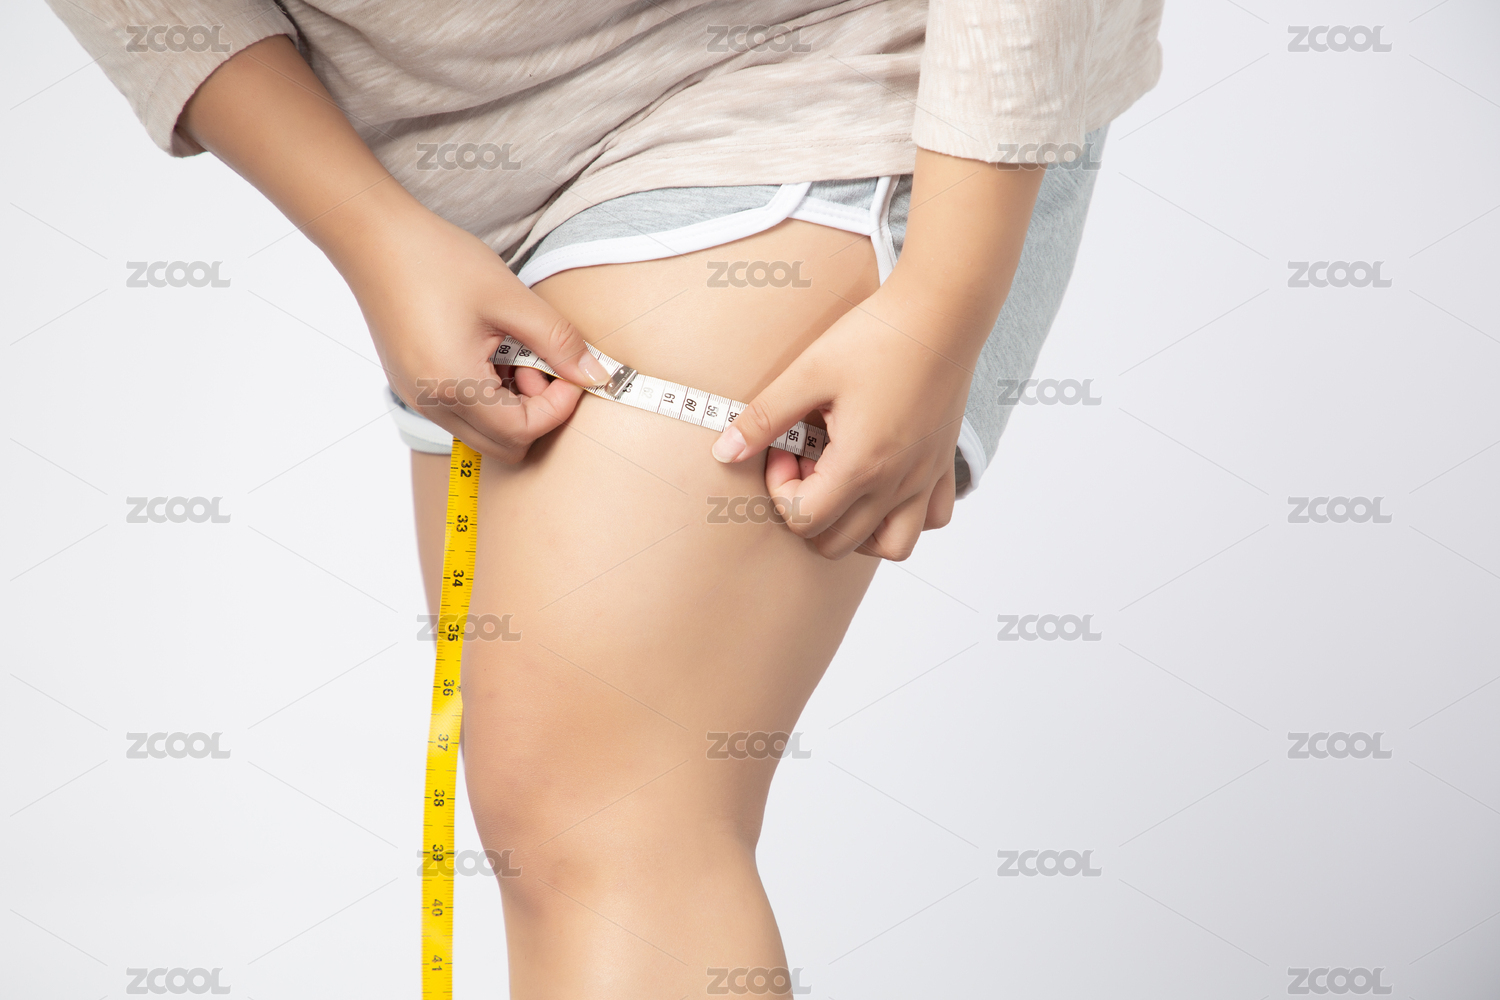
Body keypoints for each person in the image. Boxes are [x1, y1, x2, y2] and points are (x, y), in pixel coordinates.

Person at [49, 2, 1163, 995]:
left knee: (599, 826)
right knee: (552, 848)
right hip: (435, 200)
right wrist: (374, 235)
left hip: (785, 79)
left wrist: (944, 294)